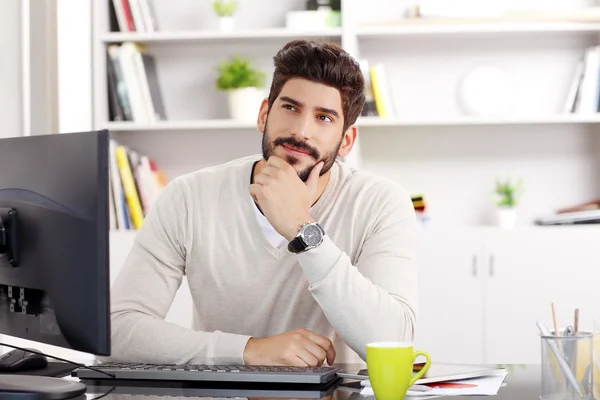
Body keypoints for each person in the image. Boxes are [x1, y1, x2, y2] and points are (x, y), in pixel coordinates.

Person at [105, 39, 419, 367]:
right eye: (290, 108)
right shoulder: (188, 197)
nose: (301, 131)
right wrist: (251, 350)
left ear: (347, 141)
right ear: (264, 114)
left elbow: (393, 342)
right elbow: (118, 332)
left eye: (324, 118)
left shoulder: (380, 203)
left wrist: (303, 229)